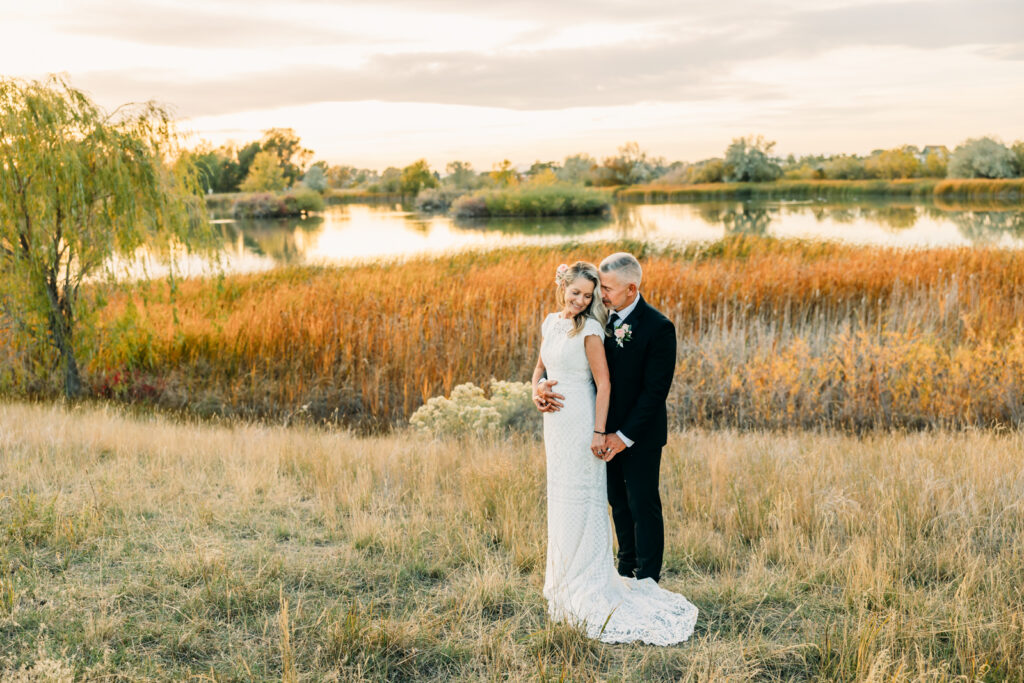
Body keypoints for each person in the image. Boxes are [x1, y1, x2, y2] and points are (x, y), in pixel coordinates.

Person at [531, 260, 696, 645]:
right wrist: (537, 392)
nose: (596, 297)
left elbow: (655, 393)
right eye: (592, 290)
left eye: (603, 290)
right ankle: (621, 568)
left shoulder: (658, 327)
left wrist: (617, 434)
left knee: (642, 503)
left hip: (634, 433)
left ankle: (648, 579)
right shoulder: (599, 318)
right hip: (588, 428)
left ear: (631, 290)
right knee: (615, 502)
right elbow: (545, 366)